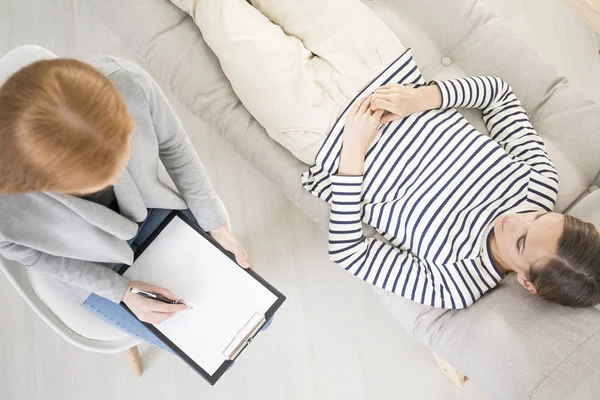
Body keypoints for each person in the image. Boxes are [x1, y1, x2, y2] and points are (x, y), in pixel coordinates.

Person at [172, 0, 600, 308]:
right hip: (376, 62)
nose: (518, 218)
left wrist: (352, 155)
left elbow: (349, 252)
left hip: (313, 122)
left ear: (526, 283)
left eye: (522, 240)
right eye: (542, 217)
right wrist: (426, 97)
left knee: (213, 8)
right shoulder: (540, 184)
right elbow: (500, 97)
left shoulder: (454, 285)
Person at [0, 46, 251, 350]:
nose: (120, 175)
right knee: (206, 344)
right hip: (89, 262)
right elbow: (39, 256)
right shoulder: (8, 208)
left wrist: (216, 224)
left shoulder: (126, 82)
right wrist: (121, 290)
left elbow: (173, 144)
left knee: (248, 312)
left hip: (154, 210)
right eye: (99, 179)